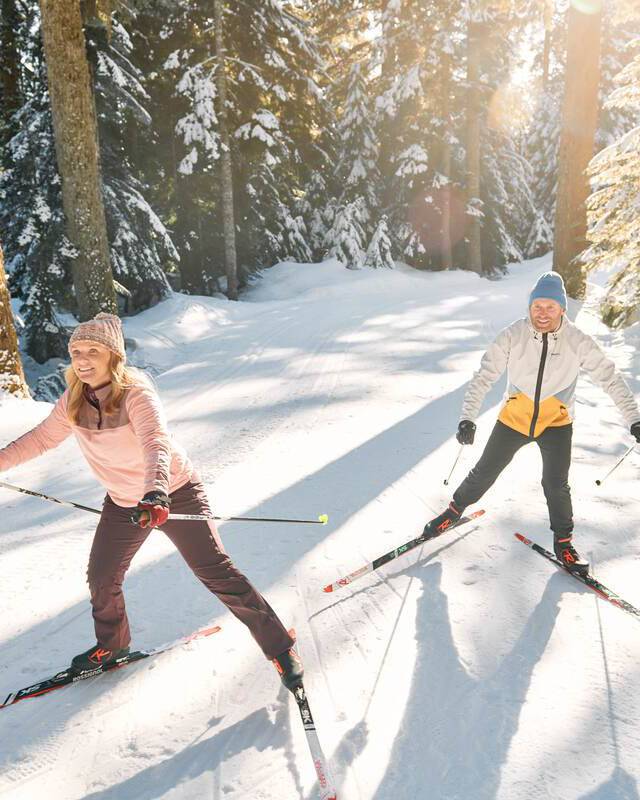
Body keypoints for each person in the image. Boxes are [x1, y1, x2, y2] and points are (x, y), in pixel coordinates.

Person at [0, 313, 303, 691]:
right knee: (102, 576)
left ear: (114, 355)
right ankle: (112, 647)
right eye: (76, 350)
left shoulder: (136, 394)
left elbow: (154, 444)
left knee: (217, 572)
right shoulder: (75, 400)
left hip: (172, 492)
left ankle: (280, 647)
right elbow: (40, 439)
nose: (82, 359)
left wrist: (156, 492)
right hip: (124, 501)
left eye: (92, 350)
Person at [425, 271, 640, 576]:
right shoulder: (513, 335)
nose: (542, 313)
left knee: (556, 485)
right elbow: (484, 376)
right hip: (514, 418)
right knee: (484, 472)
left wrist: (634, 420)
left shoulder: (577, 341)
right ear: (529, 307)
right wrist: (467, 418)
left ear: (562, 309)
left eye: (550, 307)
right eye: (537, 306)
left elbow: (610, 378)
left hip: (556, 423)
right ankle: (453, 511)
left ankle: (564, 544)